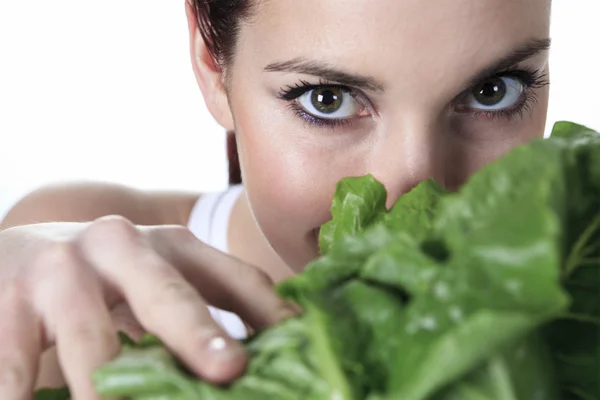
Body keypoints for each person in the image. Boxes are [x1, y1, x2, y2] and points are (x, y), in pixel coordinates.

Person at [0, 0, 553, 398]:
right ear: (213, 67)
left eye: (494, 91)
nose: (413, 192)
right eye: (327, 99)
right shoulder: (73, 296)